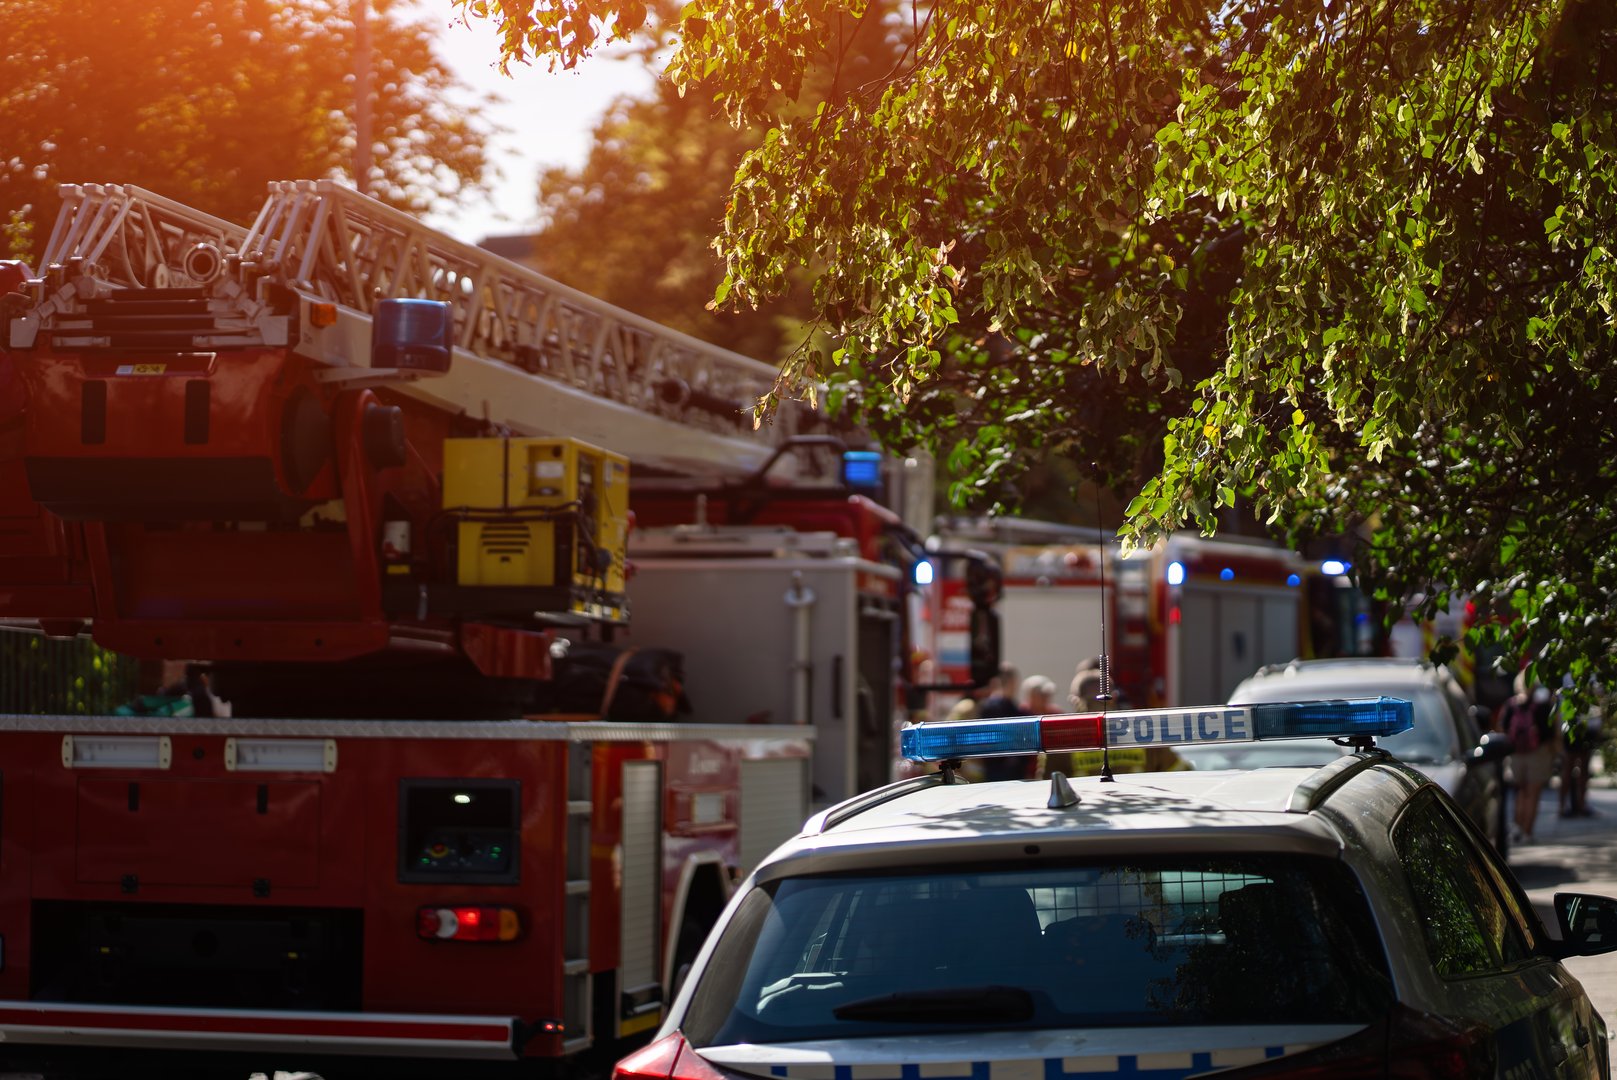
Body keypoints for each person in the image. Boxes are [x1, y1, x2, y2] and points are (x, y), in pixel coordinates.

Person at [1505, 675, 1557, 844]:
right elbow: (1549, 733)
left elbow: (1503, 728)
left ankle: (1517, 827)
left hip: (1516, 754)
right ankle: (1527, 832)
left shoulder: (1511, 705)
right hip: (1538, 753)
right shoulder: (1542, 706)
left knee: (1520, 792)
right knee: (1533, 793)